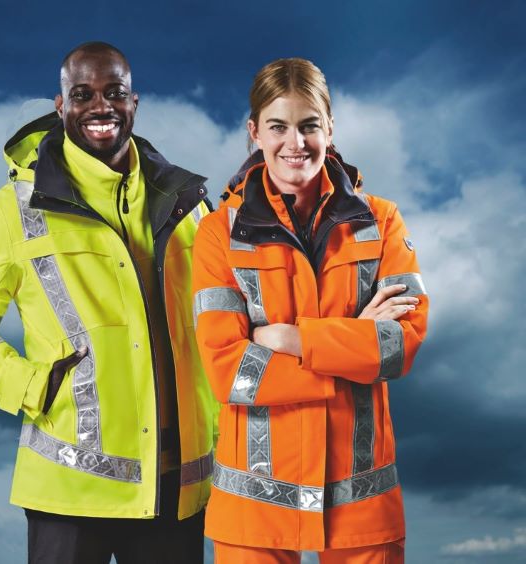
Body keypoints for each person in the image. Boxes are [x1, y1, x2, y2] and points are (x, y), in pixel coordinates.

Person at [0, 42, 217, 563]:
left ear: (135, 102)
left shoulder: (189, 204)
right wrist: (35, 387)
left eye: (114, 93)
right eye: (83, 95)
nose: (100, 107)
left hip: (177, 484)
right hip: (68, 483)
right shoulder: (14, 208)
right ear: (61, 108)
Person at [191, 58, 428, 563]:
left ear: (330, 128)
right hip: (254, 511)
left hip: (362, 510)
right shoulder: (217, 234)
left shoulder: (381, 223)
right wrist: (351, 346)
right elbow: (226, 371)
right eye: (278, 127)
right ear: (255, 132)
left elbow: (400, 347)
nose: (294, 143)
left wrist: (289, 340)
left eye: (309, 126)